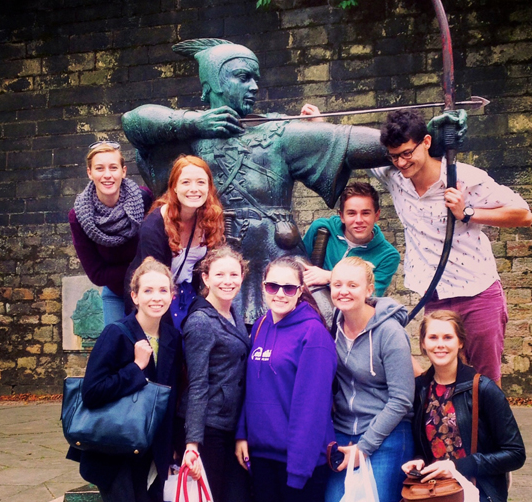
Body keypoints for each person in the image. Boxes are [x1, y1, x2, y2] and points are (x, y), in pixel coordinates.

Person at [122, 38, 462, 324]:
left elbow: (351, 143)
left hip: (278, 255)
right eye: (242, 77)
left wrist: (428, 136)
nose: (254, 87)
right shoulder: (191, 136)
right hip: (220, 266)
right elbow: (134, 122)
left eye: (255, 78)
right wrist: (194, 123)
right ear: (213, 84)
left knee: (325, 318)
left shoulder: (279, 133)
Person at [371, 109, 532, 383]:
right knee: (445, 380)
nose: (401, 162)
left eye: (407, 153)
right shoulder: (395, 177)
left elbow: (524, 215)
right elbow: (351, 145)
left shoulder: (464, 178)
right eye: (394, 156)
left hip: (478, 294)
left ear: (426, 142)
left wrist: (467, 212)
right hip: (435, 296)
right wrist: (318, 123)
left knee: (484, 382)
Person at [376, 310, 526, 502]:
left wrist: (458, 466)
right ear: (423, 343)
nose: (440, 344)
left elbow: (515, 454)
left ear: (460, 342)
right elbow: (427, 444)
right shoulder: (421, 388)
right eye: (433, 337)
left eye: (448, 337)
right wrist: (419, 460)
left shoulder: (482, 389)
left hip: (479, 494)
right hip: (435, 491)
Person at [66, 257, 183, 502]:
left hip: (148, 454)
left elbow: (172, 398)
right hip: (112, 450)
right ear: (134, 296)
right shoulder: (117, 333)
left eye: (162, 290)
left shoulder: (172, 337)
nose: (156, 297)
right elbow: (92, 391)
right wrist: (136, 367)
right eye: (148, 291)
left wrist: (174, 448)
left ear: (172, 294)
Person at [235, 256, 337, 502]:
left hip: (301, 460)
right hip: (263, 457)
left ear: (300, 290)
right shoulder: (261, 325)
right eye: (272, 286)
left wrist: (298, 469)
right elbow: (251, 386)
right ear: (263, 287)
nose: (279, 293)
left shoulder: (313, 334)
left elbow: (312, 408)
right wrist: (242, 433)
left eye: (288, 287)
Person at [325, 256, 415, 502]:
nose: (344, 291)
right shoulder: (332, 325)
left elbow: (402, 399)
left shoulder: (390, 332)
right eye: (337, 284)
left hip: (387, 435)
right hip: (343, 435)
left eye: (352, 285)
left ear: (368, 289)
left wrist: (365, 447)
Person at [180, 245, 254, 502]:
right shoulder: (200, 322)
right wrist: (192, 444)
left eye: (234, 274)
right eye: (219, 274)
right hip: (208, 430)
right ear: (205, 278)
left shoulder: (233, 313)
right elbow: (197, 384)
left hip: (230, 429)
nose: (227, 280)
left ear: (242, 277)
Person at [125, 155, 225, 330]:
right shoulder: (155, 225)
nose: (194, 189)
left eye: (201, 182)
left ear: (209, 187)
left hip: (188, 293)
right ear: (174, 187)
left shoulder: (209, 220)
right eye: (186, 182)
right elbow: (150, 277)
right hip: (156, 295)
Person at [69, 141, 154, 324]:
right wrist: (141, 265)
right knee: (117, 339)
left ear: (123, 171)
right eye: (99, 168)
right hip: (116, 292)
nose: (107, 175)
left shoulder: (144, 199)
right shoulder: (79, 217)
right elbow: (97, 274)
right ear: (90, 173)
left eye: (113, 167)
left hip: (151, 288)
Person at [302, 181, 400, 297]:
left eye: (365, 213)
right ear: (342, 216)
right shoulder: (321, 228)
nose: (359, 220)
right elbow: (297, 262)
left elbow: (370, 296)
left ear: (376, 215)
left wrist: (330, 276)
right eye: (351, 213)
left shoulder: (388, 256)